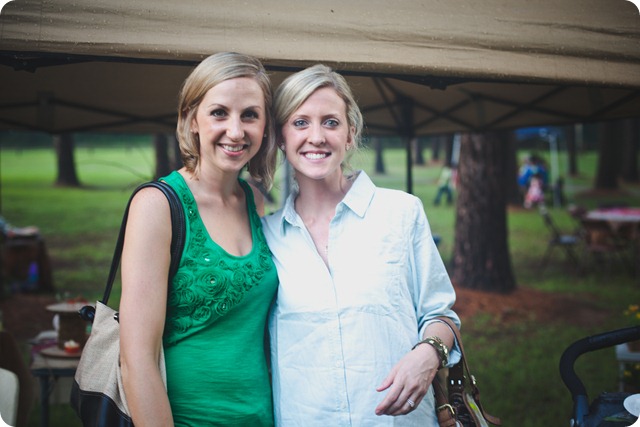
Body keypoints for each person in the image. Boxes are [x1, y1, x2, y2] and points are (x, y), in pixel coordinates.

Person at [262, 64, 461, 426]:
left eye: (331, 122)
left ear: (350, 134)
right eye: (300, 122)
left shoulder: (401, 212)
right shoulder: (266, 236)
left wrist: (428, 354)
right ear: (281, 137)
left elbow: (441, 314)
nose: (317, 137)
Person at [119, 52, 279, 426]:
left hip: (261, 417)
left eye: (250, 115)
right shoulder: (157, 205)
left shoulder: (254, 201)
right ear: (192, 119)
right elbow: (136, 359)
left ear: (265, 125)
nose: (236, 131)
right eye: (219, 113)